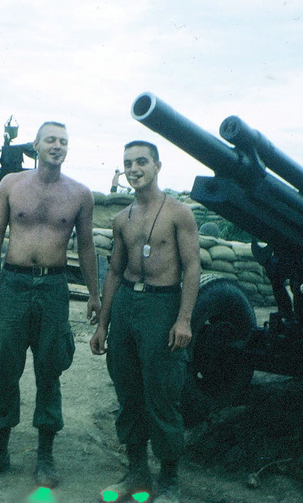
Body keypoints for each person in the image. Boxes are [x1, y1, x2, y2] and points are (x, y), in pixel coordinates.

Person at [0, 121, 101, 488]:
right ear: (36, 145)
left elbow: (87, 246)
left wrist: (94, 292)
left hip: (54, 287)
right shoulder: (11, 184)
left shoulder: (79, 194)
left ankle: (45, 457)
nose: (57, 146)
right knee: (6, 365)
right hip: (13, 284)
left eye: (63, 141)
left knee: (50, 368)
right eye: (50, 140)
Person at [90, 141, 201, 503]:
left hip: (161, 304)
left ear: (157, 166)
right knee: (128, 392)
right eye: (127, 163)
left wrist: (184, 319)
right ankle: (137, 476)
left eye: (141, 162)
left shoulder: (178, 213)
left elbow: (192, 267)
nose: (133, 168)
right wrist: (103, 324)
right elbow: (114, 272)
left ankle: (169, 480)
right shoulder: (122, 218)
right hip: (126, 305)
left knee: (162, 394)